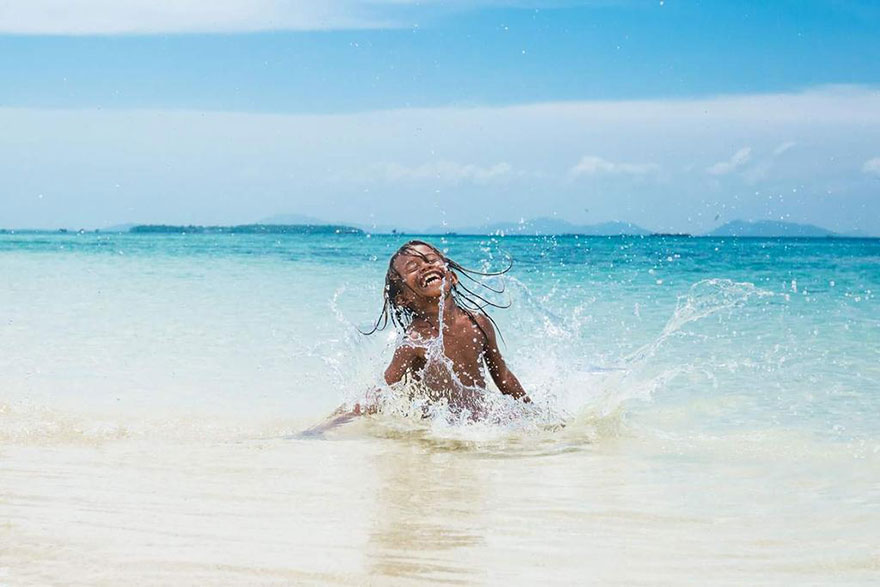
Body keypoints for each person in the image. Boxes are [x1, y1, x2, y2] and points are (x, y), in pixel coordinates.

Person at [301, 240, 529, 436]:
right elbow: (380, 392)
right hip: (438, 429)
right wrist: (325, 426)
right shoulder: (416, 339)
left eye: (431, 260)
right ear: (402, 297)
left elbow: (504, 377)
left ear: (453, 276)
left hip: (479, 424)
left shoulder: (478, 322)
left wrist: (533, 414)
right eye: (413, 266)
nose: (426, 267)